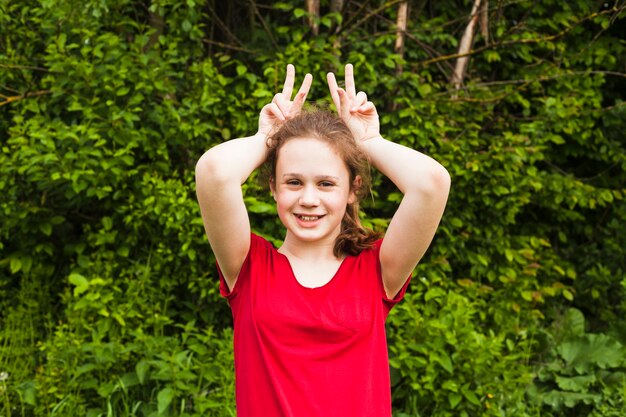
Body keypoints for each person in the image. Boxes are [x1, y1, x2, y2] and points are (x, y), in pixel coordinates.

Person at [195, 63, 450, 417]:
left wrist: (369, 143)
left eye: (326, 183)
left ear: (352, 190)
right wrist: (263, 139)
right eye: (294, 182)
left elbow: (432, 184)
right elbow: (214, 172)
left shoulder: (377, 269)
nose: (309, 199)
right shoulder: (248, 265)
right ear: (273, 187)